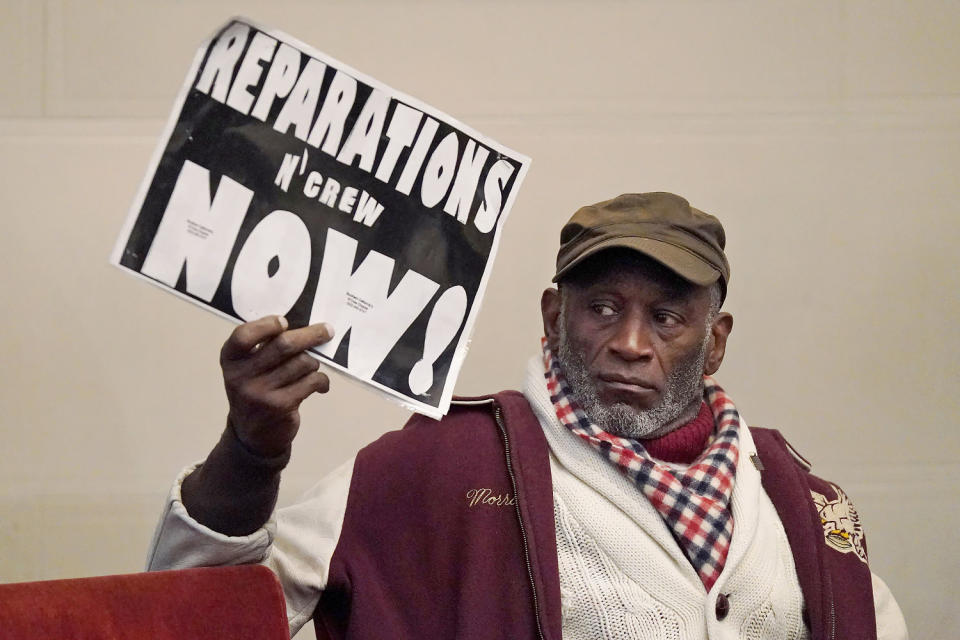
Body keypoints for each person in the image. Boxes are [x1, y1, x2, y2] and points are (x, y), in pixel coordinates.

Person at [148, 192, 908, 639]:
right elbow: (189, 621)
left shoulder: (799, 503)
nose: (631, 344)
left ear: (715, 343)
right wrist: (251, 452)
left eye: (668, 318)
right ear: (553, 318)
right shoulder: (430, 468)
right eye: (602, 309)